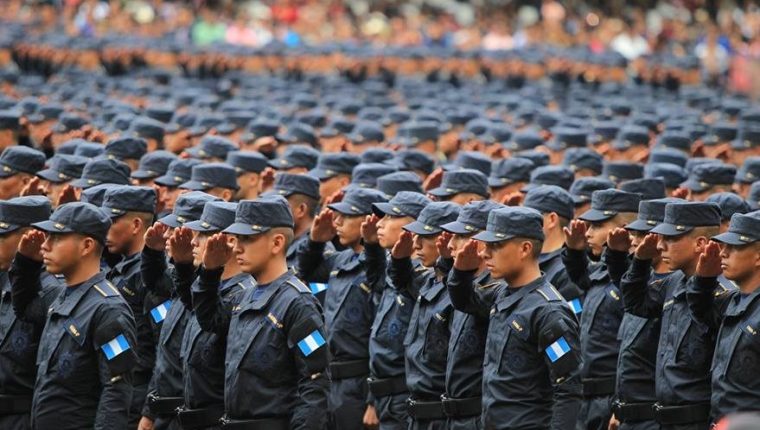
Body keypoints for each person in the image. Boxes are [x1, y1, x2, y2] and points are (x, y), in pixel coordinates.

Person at [192, 196, 328, 428]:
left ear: (276, 243)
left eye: (248, 238)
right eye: (237, 238)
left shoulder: (298, 304)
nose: (237, 247)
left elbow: (315, 384)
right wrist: (209, 272)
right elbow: (209, 319)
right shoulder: (245, 296)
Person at [449, 206, 582, 428]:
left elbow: (568, 389)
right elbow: (464, 301)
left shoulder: (548, 312)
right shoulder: (502, 293)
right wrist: (461, 272)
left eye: (496, 246)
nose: (485, 253)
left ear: (525, 248)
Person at [10, 202, 138, 429]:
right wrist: (26, 264)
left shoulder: (108, 310)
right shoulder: (65, 295)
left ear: (87, 245)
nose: (45, 246)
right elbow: (26, 310)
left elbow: (116, 390)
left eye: (56, 238)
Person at [620, 201, 731, 430]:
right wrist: (640, 262)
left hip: (698, 420)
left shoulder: (723, 295)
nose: (660, 246)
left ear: (700, 243)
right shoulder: (673, 283)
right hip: (663, 418)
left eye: (670, 238)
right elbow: (635, 303)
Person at [297, 188, 388, 429]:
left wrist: (374, 398)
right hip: (330, 380)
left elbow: (384, 341)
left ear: (369, 221)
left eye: (346, 217)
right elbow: (304, 274)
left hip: (359, 383)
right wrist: (315, 242)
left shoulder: (382, 267)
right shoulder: (341, 259)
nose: (337, 222)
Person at [139, 192, 220, 430]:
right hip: (168, 415)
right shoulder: (184, 283)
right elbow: (166, 358)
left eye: (182, 230)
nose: (170, 236)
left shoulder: (209, 293)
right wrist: (150, 411)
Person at [563, 189, 641, 430]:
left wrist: (620, 403)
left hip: (611, 396)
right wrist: (575, 252)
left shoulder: (635, 282)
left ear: (623, 229)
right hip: (586, 396)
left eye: (597, 226)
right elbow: (582, 277)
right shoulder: (601, 271)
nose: (588, 233)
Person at [605, 198, 679, 430]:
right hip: (630, 414)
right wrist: (621, 409)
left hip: (654, 417)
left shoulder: (674, 288)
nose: (635, 241)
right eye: (634, 233)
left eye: (643, 234)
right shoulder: (641, 283)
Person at [177, 200, 251, 430]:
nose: (193, 242)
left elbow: (213, 321)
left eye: (203, 235)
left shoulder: (243, 295)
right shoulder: (207, 289)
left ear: (228, 241)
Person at [363, 191, 431, 429]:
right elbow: (375, 280)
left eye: (391, 217)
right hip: (384, 394)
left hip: (405, 395)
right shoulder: (393, 272)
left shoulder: (423, 279)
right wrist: (373, 400)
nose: (380, 223)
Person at [688, 211, 760, 424]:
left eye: (735, 247)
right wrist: (703, 279)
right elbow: (700, 312)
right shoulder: (733, 300)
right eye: (724, 246)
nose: (723, 253)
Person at [393, 201, 460, 429]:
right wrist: (399, 260)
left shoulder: (462, 293)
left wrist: (449, 261)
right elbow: (402, 283)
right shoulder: (430, 279)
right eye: (415, 235)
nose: (416, 243)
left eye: (426, 237)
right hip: (416, 413)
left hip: (443, 415)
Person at [441, 200, 504, 429]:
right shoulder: (469, 284)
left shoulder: (497, 289)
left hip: (481, 417)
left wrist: (459, 273)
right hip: (454, 416)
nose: (451, 245)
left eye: (460, 236)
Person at [0, 196, 62, 430]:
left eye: (3, 236)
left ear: (33, 238)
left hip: (28, 417)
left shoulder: (52, 293)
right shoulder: (6, 279)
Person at [100, 185, 159, 428]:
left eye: (112, 221)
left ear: (136, 225)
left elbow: (163, 345)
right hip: (116, 390)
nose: (104, 230)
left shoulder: (151, 276)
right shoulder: (122, 269)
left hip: (137, 393)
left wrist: (150, 409)